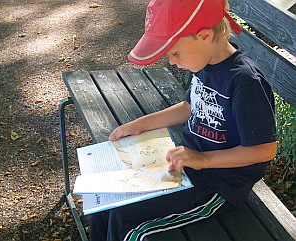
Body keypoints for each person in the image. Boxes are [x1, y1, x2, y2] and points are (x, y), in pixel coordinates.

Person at [89, 0, 278, 240]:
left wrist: (202, 159)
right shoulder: (205, 62)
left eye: (175, 53)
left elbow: (264, 150)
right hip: (184, 166)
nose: (171, 61)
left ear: (205, 36)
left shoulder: (246, 82)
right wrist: (140, 124)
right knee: (104, 202)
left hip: (218, 186)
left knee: (126, 222)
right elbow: (190, 106)